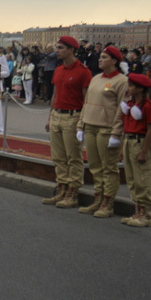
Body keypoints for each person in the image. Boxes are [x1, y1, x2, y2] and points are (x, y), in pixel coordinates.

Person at [76, 46, 127, 219]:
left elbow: (122, 109)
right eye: (100, 57)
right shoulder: (96, 78)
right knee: (95, 166)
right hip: (90, 125)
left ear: (114, 61)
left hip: (106, 128)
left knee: (108, 167)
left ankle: (108, 202)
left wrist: (116, 133)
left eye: (104, 57)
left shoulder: (122, 81)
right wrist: (80, 125)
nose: (100, 59)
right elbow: (87, 102)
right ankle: (98, 198)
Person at [42, 36, 92, 209]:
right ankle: (62, 188)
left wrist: (82, 123)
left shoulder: (83, 71)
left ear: (71, 49)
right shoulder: (58, 70)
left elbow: (87, 99)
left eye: (61, 48)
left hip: (73, 117)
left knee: (73, 157)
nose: (57, 50)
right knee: (58, 157)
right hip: (57, 115)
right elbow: (55, 95)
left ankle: (73, 192)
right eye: (57, 47)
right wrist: (50, 117)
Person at [119, 73, 151, 228]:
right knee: (132, 179)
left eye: (132, 86)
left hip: (140, 142)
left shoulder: (148, 106)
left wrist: (144, 151)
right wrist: (122, 148)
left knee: (143, 179)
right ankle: (137, 211)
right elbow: (126, 128)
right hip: (129, 141)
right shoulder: (130, 105)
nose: (129, 88)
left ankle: (147, 215)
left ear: (140, 89)